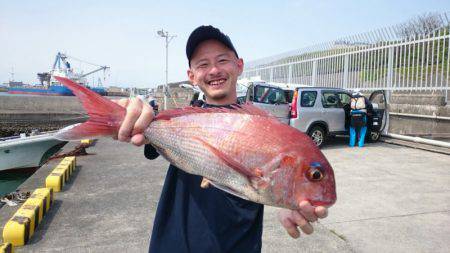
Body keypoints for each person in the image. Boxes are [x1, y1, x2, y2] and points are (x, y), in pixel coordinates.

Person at [114, 25, 329, 253]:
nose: (214, 70)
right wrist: (131, 116)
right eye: (203, 64)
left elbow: (276, 179)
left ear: (239, 65)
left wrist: (289, 202)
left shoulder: (266, 127)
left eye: (222, 60)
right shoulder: (181, 119)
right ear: (192, 76)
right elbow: (142, 129)